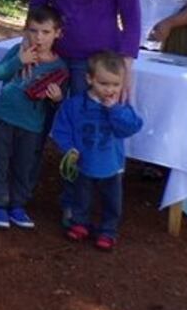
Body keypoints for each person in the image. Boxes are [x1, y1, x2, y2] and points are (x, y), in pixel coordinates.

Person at [29, 0, 140, 225]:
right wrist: (31, 44)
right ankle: (22, 194)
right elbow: (38, 4)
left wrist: (125, 66)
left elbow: (132, 17)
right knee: (37, 125)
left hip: (94, 65)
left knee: (83, 136)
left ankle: (73, 207)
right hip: (53, 58)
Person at [51, 51, 143, 251]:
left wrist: (114, 110)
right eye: (104, 84)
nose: (110, 90)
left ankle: (108, 231)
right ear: (89, 79)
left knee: (112, 201)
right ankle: (80, 223)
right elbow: (61, 129)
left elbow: (131, 127)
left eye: (115, 85)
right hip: (83, 163)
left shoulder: (121, 106)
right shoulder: (75, 105)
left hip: (112, 165)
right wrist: (69, 150)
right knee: (81, 196)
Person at [0, 6, 67, 229]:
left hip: (32, 124)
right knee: (0, 161)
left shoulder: (60, 66)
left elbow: (58, 101)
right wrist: (18, 61)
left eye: (45, 32)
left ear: (57, 33)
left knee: (25, 164)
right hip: (3, 116)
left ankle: (18, 205)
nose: (38, 37)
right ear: (25, 31)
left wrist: (57, 97)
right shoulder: (18, 51)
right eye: (33, 31)